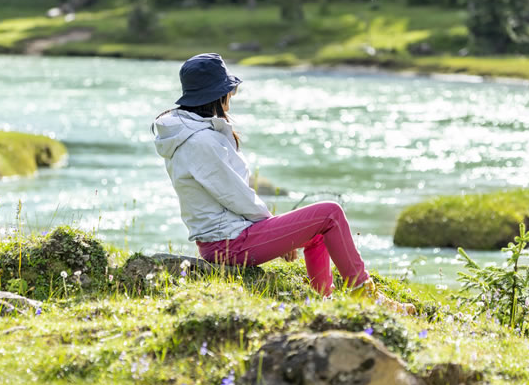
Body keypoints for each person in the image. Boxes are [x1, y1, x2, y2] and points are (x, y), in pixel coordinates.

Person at [152, 53, 414, 314]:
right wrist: (270, 227)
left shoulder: (195, 133)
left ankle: (323, 301)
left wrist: (273, 231)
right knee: (330, 213)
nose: (232, 95)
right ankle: (364, 295)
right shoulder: (201, 142)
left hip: (227, 238)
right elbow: (235, 196)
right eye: (230, 90)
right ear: (217, 95)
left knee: (317, 230)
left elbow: (232, 195)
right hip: (228, 243)